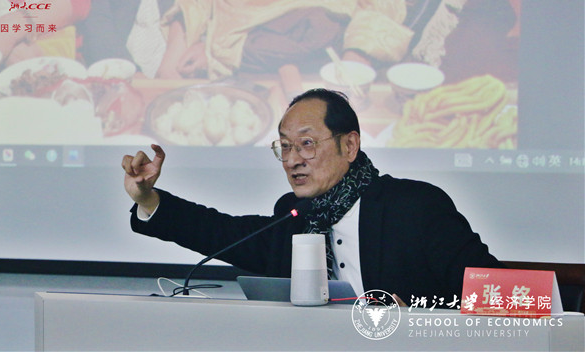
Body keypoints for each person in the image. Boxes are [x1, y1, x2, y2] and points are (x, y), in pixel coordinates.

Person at [123, 88, 504, 304]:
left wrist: (415, 313)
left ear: (349, 145)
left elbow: (496, 295)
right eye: (285, 147)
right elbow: (222, 232)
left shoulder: (414, 207)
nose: (292, 160)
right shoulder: (295, 215)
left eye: (306, 144)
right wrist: (147, 198)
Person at [155, 0, 414, 97]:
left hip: (327, 62)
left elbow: (381, 3)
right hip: (237, 62)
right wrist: (171, 69)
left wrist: (348, 77)